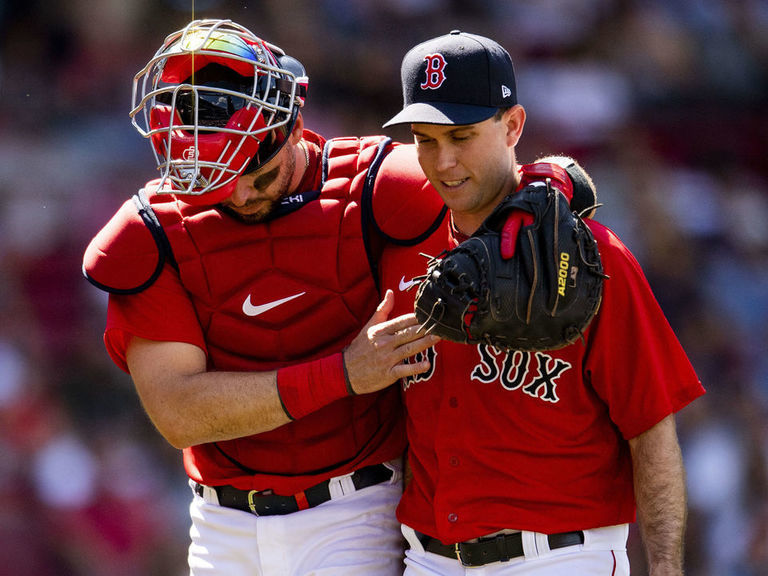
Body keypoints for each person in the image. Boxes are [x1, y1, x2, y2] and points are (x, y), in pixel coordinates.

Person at [82, 19, 574, 575]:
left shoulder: (376, 187)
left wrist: (550, 182)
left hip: (358, 510)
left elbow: (486, 180)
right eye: (214, 180)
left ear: (293, 128)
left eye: (258, 175)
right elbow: (178, 414)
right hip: (220, 527)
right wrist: (343, 373)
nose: (239, 194)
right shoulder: (150, 232)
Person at [378, 30, 706, 575]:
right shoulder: (405, 252)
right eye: (426, 139)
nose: (444, 160)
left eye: (461, 135)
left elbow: (651, 430)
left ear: (512, 126)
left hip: (558, 557)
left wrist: (667, 569)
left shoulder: (590, 257)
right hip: (428, 558)